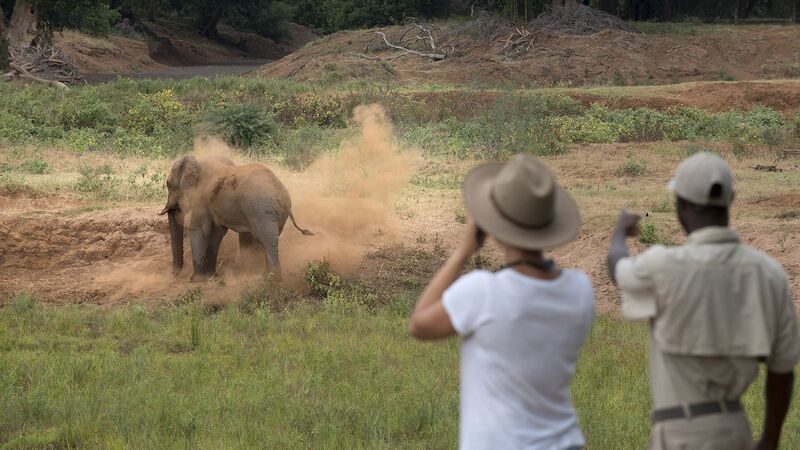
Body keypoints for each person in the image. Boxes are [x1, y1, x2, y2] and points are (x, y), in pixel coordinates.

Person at [607, 152, 800, 450]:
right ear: (730, 201)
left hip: (678, 432)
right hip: (735, 429)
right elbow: (782, 369)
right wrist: (770, 440)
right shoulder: (769, 273)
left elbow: (618, 268)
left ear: (681, 204)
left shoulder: (663, 265)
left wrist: (619, 233)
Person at [409, 155, 595, 450]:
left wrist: (462, 252)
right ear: (548, 223)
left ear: (493, 226)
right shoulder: (581, 290)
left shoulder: (483, 291)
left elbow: (420, 324)